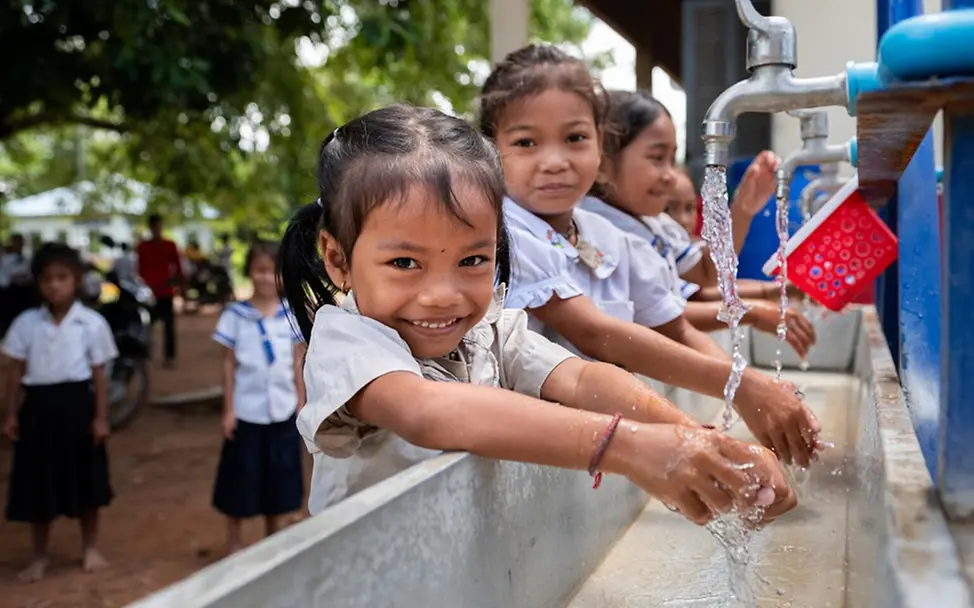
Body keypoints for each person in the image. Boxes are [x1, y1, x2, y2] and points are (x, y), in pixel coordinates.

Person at [279, 104, 796, 524]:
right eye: (404, 262)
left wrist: (697, 441)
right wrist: (629, 448)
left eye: (472, 260)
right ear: (338, 259)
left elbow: (581, 377)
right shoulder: (348, 339)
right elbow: (427, 411)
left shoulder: (490, 327)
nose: (443, 295)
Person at [479, 44, 820, 466]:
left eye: (575, 138)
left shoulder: (609, 237)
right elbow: (593, 331)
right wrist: (742, 387)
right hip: (531, 447)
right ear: (490, 151)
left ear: (601, 147)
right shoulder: (504, 230)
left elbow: (674, 328)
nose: (554, 161)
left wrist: (750, 390)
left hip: (604, 435)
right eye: (526, 142)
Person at [580, 89, 815, 357]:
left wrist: (743, 209)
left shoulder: (654, 224)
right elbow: (665, 317)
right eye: (657, 158)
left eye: (672, 159)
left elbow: (706, 273)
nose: (670, 175)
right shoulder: (595, 230)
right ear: (603, 162)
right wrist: (755, 311)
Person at [2, 243, 117, 582]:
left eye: (62, 278)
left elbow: (98, 375)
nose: (54, 286)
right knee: (39, 484)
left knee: (86, 482)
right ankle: (39, 556)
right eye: (47, 279)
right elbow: (14, 371)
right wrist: (9, 414)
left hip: (77, 408)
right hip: (37, 409)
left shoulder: (91, 323)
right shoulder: (26, 323)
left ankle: (90, 547)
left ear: (77, 280)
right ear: (38, 283)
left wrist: (101, 418)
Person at [211, 241, 306, 554]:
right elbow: (228, 363)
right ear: (249, 273)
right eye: (259, 270)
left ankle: (272, 537)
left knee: (279, 474)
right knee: (241, 473)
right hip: (247, 410)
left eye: (272, 271)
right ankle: (234, 540)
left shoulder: (290, 315)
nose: (266, 278)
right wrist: (229, 410)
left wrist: (302, 403)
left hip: (282, 408)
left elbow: (297, 361)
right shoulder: (235, 316)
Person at [665, 166, 805, 304]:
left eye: (689, 208)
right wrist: (778, 291)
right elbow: (702, 294)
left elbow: (721, 283)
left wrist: (782, 289)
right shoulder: (657, 247)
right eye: (666, 209)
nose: (683, 220)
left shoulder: (691, 245)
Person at [136, 214, 184, 367]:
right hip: (149, 293)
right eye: (155, 227)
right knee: (146, 325)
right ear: (150, 227)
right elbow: (138, 269)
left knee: (169, 327)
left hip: (165, 291)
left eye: (159, 226)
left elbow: (178, 267)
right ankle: (146, 355)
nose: (157, 230)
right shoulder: (143, 247)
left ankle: (169, 357)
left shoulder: (169, 245)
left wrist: (181, 284)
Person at [0, 234, 34, 335]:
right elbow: (10, 274)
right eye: (17, 242)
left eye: (22, 242)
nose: (20, 245)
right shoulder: (6, 259)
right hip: (9, 291)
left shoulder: (26, 259)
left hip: (24, 291)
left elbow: (28, 274)